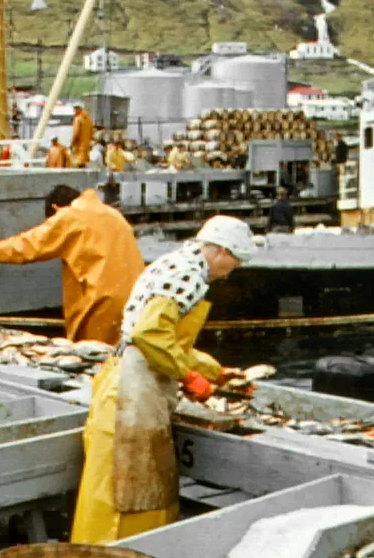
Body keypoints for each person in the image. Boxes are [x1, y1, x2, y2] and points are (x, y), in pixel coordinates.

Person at [71, 215, 256, 544]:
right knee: (123, 497)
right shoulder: (188, 275)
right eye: (235, 262)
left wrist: (215, 372)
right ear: (222, 252)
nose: (231, 272)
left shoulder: (175, 264)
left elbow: (167, 341)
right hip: (131, 393)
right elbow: (149, 336)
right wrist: (188, 376)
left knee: (126, 494)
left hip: (131, 383)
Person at [0, 185, 145, 345]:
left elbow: (30, 245)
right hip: (137, 298)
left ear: (56, 208)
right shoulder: (112, 214)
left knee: (96, 363)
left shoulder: (69, 217)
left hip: (103, 304)